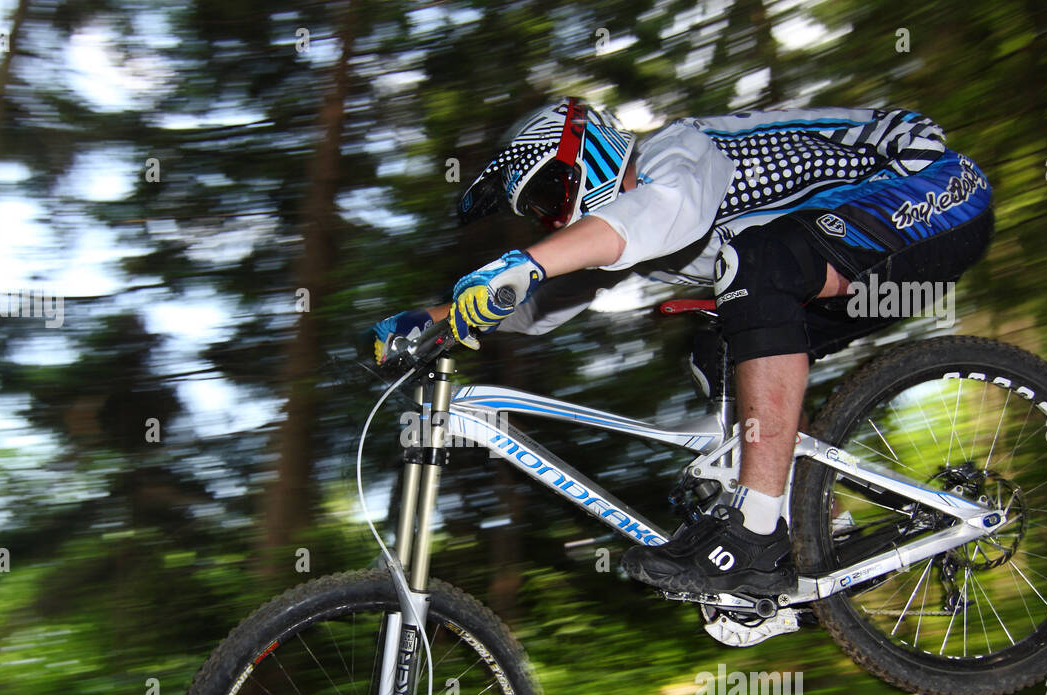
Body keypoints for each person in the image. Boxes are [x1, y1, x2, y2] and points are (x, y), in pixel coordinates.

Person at [371, 98, 994, 598]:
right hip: (871, 267)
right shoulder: (637, 228)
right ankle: (817, 527)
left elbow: (656, 213)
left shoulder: (680, 150)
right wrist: (434, 320)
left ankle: (755, 527)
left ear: (584, 150)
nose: (553, 219)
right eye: (538, 214)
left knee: (760, 265)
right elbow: (537, 307)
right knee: (721, 347)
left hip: (929, 181)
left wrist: (523, 261)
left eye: (550, 194)